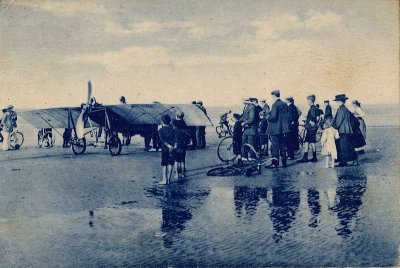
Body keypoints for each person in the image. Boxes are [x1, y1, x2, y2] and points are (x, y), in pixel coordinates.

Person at [332, 94, 357, 167]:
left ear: (340, 101)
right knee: (348, 146)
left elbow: (338, 122)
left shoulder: (340, 109)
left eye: (337, 101)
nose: (337, 103)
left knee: (343, 147)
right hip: (348, 130)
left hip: (343, 131)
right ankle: (348, 161)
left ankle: (343, 162)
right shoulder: (346, 109)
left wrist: (333, 126)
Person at [266, 90, 289, 168]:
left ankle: (275, 163)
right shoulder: (284, 104)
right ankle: (284, 163)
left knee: (275, 146)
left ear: (273, 96)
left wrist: (267, 117)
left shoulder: (275, 104)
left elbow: (273, 117)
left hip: (275, 129)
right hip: (283, 129)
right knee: (282, 145)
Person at [298, 95, 319, 163]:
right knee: (312, 142)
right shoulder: (316, 108)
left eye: (307, 100)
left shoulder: (312, 108)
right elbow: (317, 118)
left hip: (310, 128)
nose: (307, 101)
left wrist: (310, 122)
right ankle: (314, 157)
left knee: (307, 141)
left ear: (310, 100)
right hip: (313, 128)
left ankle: (305, 157)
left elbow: (313, 117)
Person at [158, 115, 175, 185]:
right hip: (172, 148)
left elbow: (162, 140)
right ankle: (168, 180)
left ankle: (164, 180)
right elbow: (175, 138)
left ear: (162, 121)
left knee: (164, 164)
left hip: (165, 148)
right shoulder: (173, 129)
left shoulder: (161, 130)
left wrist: (167, 145)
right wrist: (172, 146)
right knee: (170, 163)